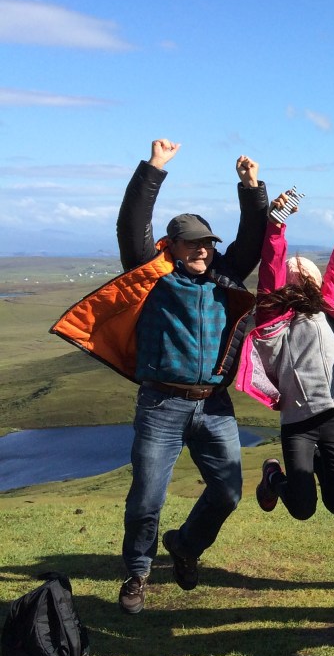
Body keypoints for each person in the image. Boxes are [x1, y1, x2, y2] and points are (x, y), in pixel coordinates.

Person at [51, 139, 268, 614]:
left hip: (214, 404)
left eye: (208, 245)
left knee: (229, 492)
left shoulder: (225, 277)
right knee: (147, 496)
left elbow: (252, 238)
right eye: (194, 244)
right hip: (161, 406)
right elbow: (131, 225)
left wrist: (251, 188)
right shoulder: (153, 277)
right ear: (173, 245)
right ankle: (137, 572)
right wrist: (153, 168)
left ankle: (186, 545)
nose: (204, 253)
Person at [237, 191, 334, 520]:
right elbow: (270, 268)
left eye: (306, 277)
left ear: (318, 281)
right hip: (297, 422)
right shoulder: (273, 314)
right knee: (303, 508)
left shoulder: (328, 301)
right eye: (294, 278)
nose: (300, 280)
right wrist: (277, 225)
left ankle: (319, 466)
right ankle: (273, 476)